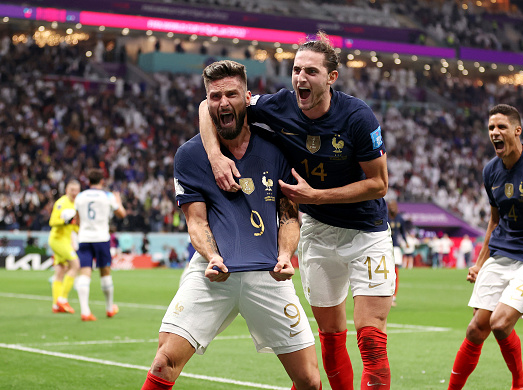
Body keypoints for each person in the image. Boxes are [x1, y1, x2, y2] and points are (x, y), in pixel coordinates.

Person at [199, 32, 395, 390]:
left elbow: (379, 184)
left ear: (332, 78)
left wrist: (315, 196)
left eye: (311, 72)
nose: (301, 78)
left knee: (370, 340)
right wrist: (214, 156)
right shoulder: (278, 105)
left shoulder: (357, 117)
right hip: (319, 234)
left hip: (367, 233)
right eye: (296, 70)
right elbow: (208, 105)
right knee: (331, 335)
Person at [141, 60, 321, 390]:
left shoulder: (277, 147)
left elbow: (290, 216)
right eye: (215, 96)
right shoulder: (190, 155)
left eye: (232, 94)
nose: (223, 102)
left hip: (268, 273)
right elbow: (195, 221)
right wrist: (211, 256)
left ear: (247, 98)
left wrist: (285, 255)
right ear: (207, 101)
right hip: (213, 273)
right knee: (163, 362)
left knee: (309, 379)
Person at [447, 104, 523, 390]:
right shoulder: (490, 171)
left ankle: (519, 383)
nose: (495, 133)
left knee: (501, 324)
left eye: (501, 127)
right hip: (502, 255)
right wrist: (479, 262)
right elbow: (494, 220)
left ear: (517, 130)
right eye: (491, 128)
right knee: (475, 329)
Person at [74, 169, 126, 321]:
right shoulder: (108, 196)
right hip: (101, 238)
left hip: (84, 238)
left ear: (88, 181)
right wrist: (119, 200)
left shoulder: (80, 196)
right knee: (105, 272)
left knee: (84, 273)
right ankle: (109, 308)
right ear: (102, 181)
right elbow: (121, 214)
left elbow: (77, 221)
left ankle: (85, 311)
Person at [48, 180, 81, 314]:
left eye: (76, 190)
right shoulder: (61, 203)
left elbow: (74, 226)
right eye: (72, 190)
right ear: (67, 190)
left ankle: (56, 305)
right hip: (57, 240)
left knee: (60, 270)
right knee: (75, 265)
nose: (74, 193)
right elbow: (52, 222)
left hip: (66, 241)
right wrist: (64, 221)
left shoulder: (76, 205)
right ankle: (62, 299)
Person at [388, 199, 407, 307]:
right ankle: (385, 296)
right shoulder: (385, 217)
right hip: (385, 247)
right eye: (390, 206)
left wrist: (406, 241)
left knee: (395, 273)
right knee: (386, 273)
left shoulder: (400, 219)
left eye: (393, 205)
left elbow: (403, 232)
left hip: (396, 248)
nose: (392, 208)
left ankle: (393, 297)